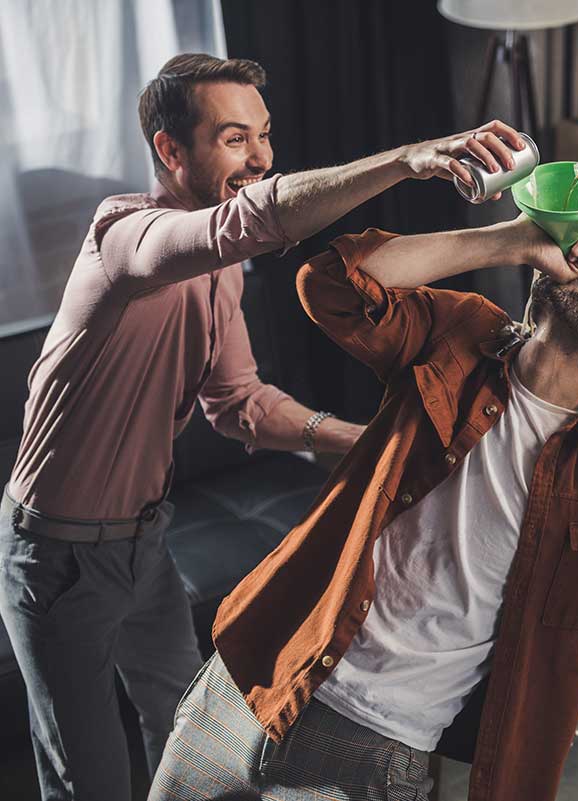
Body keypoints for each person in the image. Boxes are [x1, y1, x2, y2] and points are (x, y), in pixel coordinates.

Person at [0, 52, 531, 801]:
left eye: (265, 135)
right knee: (87, 780)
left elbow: (240, 402)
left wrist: (367, 441)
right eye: (235, 139)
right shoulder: (124, 237)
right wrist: (409, 160)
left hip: (147, 544)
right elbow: (250, 220)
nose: (262, 157)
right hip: (56, 556)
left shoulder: (222, 272)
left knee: (183, 743)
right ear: (170, 151)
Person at [148, 210, 578, 800]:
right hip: (257, 667)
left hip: (376, 740)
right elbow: (330, 283)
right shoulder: (463, 333)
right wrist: (513, 239)